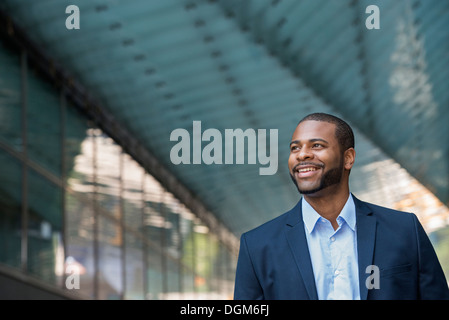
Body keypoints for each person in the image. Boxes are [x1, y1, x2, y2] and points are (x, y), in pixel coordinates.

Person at [233, 112, 449, 300]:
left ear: (348, 158)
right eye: (295, 148)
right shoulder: (257, 246)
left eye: (316, 145)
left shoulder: (404, 230)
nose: (302, 154)